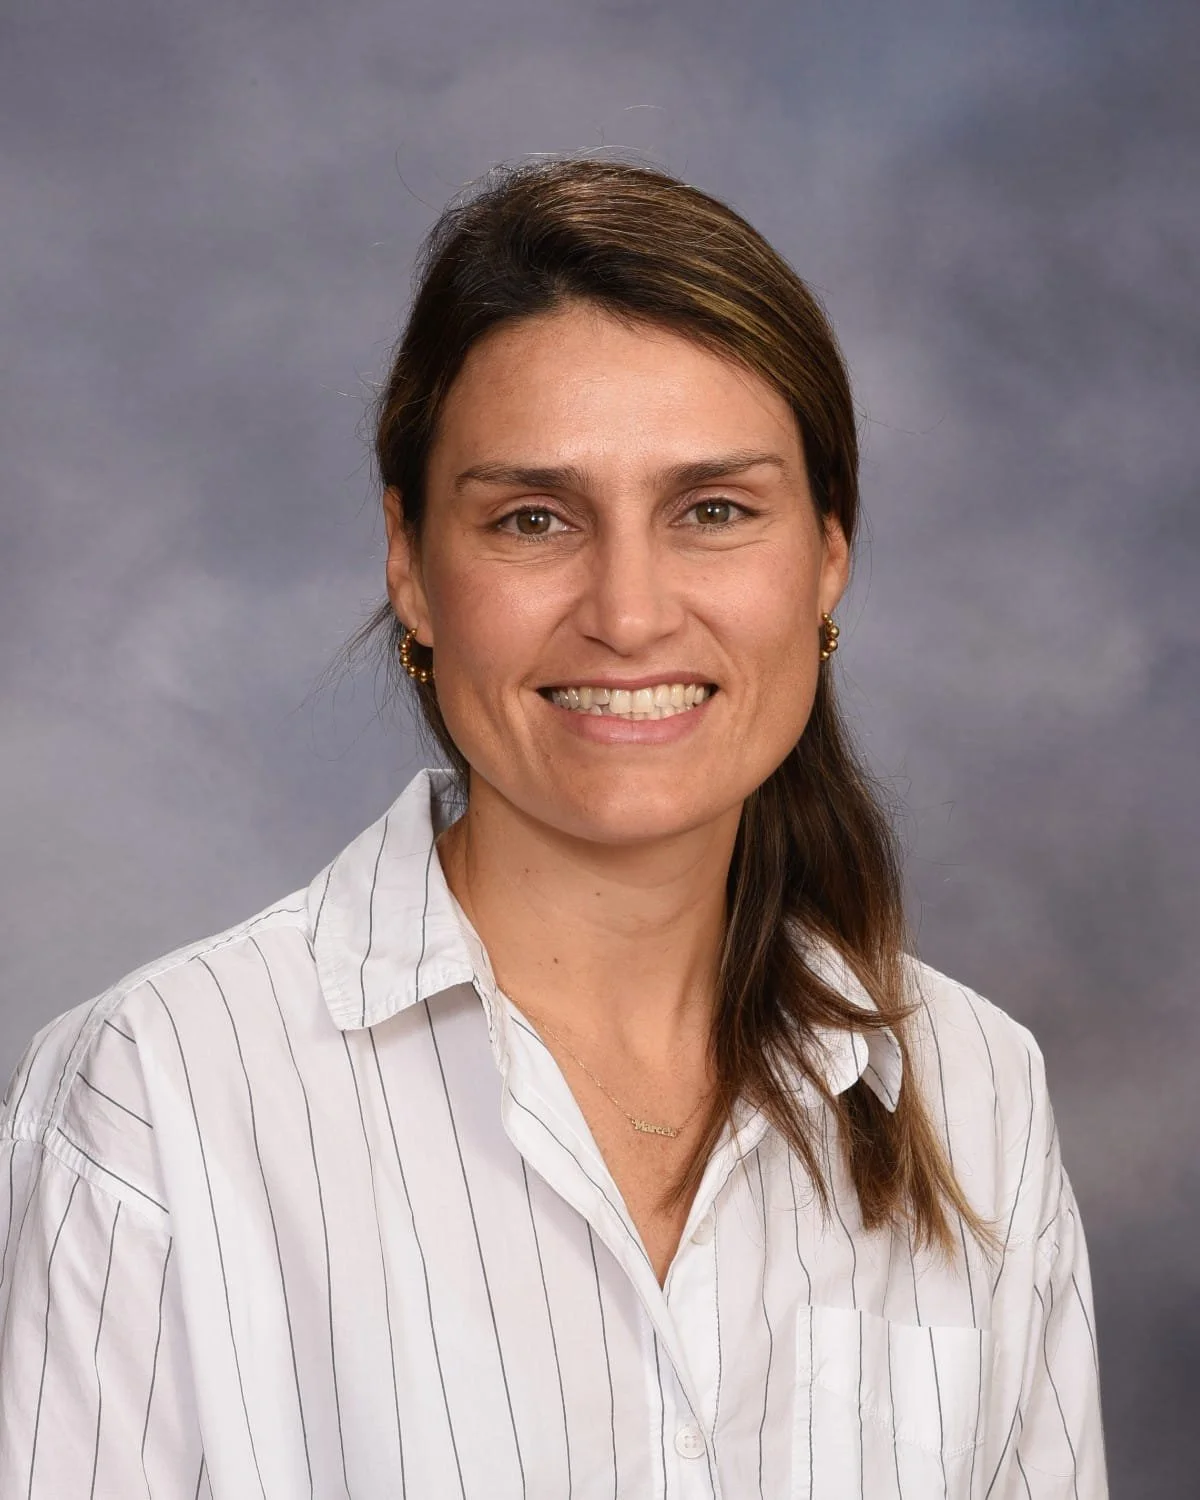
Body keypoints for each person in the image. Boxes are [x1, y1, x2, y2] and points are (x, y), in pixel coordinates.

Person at [0, 156, 1106, 1498]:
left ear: (828, 554)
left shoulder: (977, 1091)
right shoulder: (160, 1093)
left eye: (712, 511)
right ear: (411, 567)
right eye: (533, 518)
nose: (629, 613)